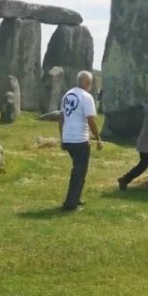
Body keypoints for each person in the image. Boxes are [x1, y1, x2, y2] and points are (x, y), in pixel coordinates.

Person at [58, 71, 102, 211]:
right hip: (79, 139)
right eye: (90, 83)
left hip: (68, 137)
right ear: (87, 83)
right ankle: (70, 203)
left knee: (78, 169)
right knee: (79, 171)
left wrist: (62, 137)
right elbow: (90, 119)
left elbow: (61, 117)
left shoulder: (67, 95)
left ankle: (76, 198)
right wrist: (98, 138)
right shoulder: (86, 97)